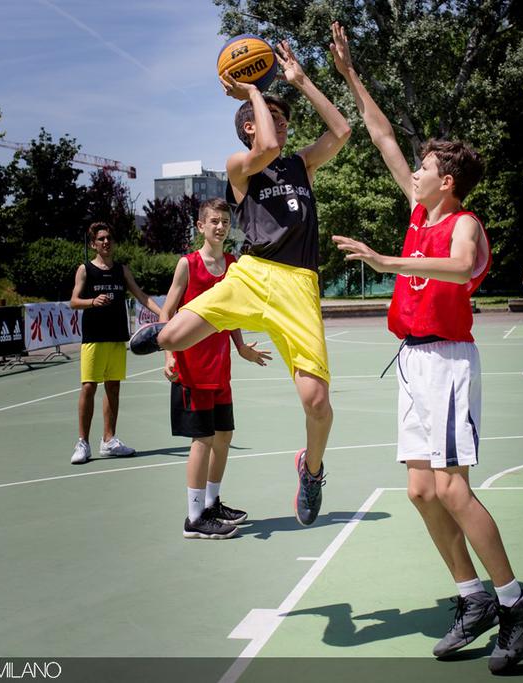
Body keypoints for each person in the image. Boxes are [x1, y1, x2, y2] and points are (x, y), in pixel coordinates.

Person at [328, 22, 523, 673]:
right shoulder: (421, 213)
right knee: (422, 491)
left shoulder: (463, 224)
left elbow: (457, 267)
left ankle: (516, 601)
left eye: (424, 167)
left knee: (453, 489)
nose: (414, 172)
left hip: (448, 361)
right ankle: (472, 596)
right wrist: (349, 75)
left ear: (445, 181)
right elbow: (382, 136)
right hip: (413, 361)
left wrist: (384, 260)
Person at [129, 40, 351, 526]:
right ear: (250, 124)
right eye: (273, 115)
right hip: (251, 274)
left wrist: (301, 81)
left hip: (298, 286)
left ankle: (311, 471)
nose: (282, 123)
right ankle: (163, 333)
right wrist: (253, 90)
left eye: (284, 117)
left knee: (317, 402)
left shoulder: (301, 165)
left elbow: (342, 130)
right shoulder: (239, 166)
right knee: (175, 338)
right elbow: (266, 147)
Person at [160, 198, 272, 540]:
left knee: (224, 436)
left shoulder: (233, 265)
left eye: (225, 221)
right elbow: (166, 314)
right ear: (201, 226)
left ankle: (211, 504)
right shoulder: (188, 265)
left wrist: (241, 347)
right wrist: (168, 355)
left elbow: (231, 312)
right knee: (203, 440)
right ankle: (194, 518)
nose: (220, 226)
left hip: (220, 369)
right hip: (192, 369)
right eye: (214, 221)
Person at [69, 222, 162, 465]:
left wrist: (164, 316)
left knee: (113, 388)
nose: (106, 242)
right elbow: (74, 301)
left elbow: (142, 297)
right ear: (93, 244)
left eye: (109, 238)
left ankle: (108, 440)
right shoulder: (85, 270)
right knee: (89, 387)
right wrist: (92, 302)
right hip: (94, 338)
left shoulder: (122, 270)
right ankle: (82, 443)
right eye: (101, 239)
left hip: (117, 337)